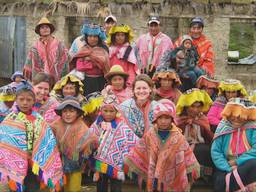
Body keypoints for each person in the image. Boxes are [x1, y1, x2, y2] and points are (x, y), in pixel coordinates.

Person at [0, 80, 63, 191]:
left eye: (28, 100)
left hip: (34, 164)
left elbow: (47, 140)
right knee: (15, 188)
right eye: (21, 99)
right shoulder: (10, 119)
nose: (25, 103)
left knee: (33, 188)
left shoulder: (39, 120)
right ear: (16, 100)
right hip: (14, 164)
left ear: (33, 101)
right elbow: (4, 143)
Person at [125, 99, 200, 191]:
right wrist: (129, 160)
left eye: (167, 118)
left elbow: (188, 157)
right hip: (154, 179)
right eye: (160, 118)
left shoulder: (178, 137)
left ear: (172, 119)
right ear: (155, 119)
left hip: (174, 176)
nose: (163, 121)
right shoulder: (150, 135)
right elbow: (139, 151)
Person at [91, 95, 138, 192]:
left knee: (116, 186)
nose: (108, 114)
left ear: (116, 111)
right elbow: (89, 138)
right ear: (101, 110)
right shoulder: (97, 124)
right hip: (99, 162)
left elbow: (132, 141)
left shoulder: (122, 125)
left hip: (116, 163)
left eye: (111, 111)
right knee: (101, 185)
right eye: (105, 111)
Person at [51, 96, 97, 192]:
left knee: (73, 187)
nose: (68, 114)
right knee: (57, 186)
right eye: (65, 111)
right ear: (61, 113)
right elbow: (48, 140)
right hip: (58, 163)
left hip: (75, 163)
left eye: (71, 111)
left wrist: (85, 149)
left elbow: (91, 140)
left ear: (77, 113)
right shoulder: (55, 125)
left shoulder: (82, 127)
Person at [211, 98, 256, 191]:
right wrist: (228, 167)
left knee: (253, 164)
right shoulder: (223, 127)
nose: (236, 118)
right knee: (219, 181)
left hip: (247, 164)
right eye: (233, 114)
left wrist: (237, 162)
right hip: (226, 165)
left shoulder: (252, 128)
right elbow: (216, 151)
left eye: (240, 116)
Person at [176, 88, 214, 180]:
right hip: (182, 145)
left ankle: (202, 175)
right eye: (192, 106)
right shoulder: (179, 119)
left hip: (200, 146)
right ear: (186, 106)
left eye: (198, 106)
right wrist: (184, 124)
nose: (196, 110)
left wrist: (203, 127)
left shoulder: (203, 119)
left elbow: (209, 138)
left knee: (204, 150)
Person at [23, 17, 69, 81]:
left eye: (47, 27)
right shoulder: (35, 47)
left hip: (57, 78)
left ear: (50, 30)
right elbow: (29, 62)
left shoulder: (59, 45)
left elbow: (66, 59)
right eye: (42, 27)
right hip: (40, 78)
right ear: (39, 31)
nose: (45, 29)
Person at [70, 23, 110, 96]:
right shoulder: (83, 49)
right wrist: (93, 63)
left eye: (95, 36)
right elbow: (78, 66)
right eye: (90, 36)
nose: (92, 39)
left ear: (99, 38)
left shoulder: (104, 49)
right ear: (86, 37)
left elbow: (104, 64)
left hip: (100, 81)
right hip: (86, 82)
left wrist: (88, 60)